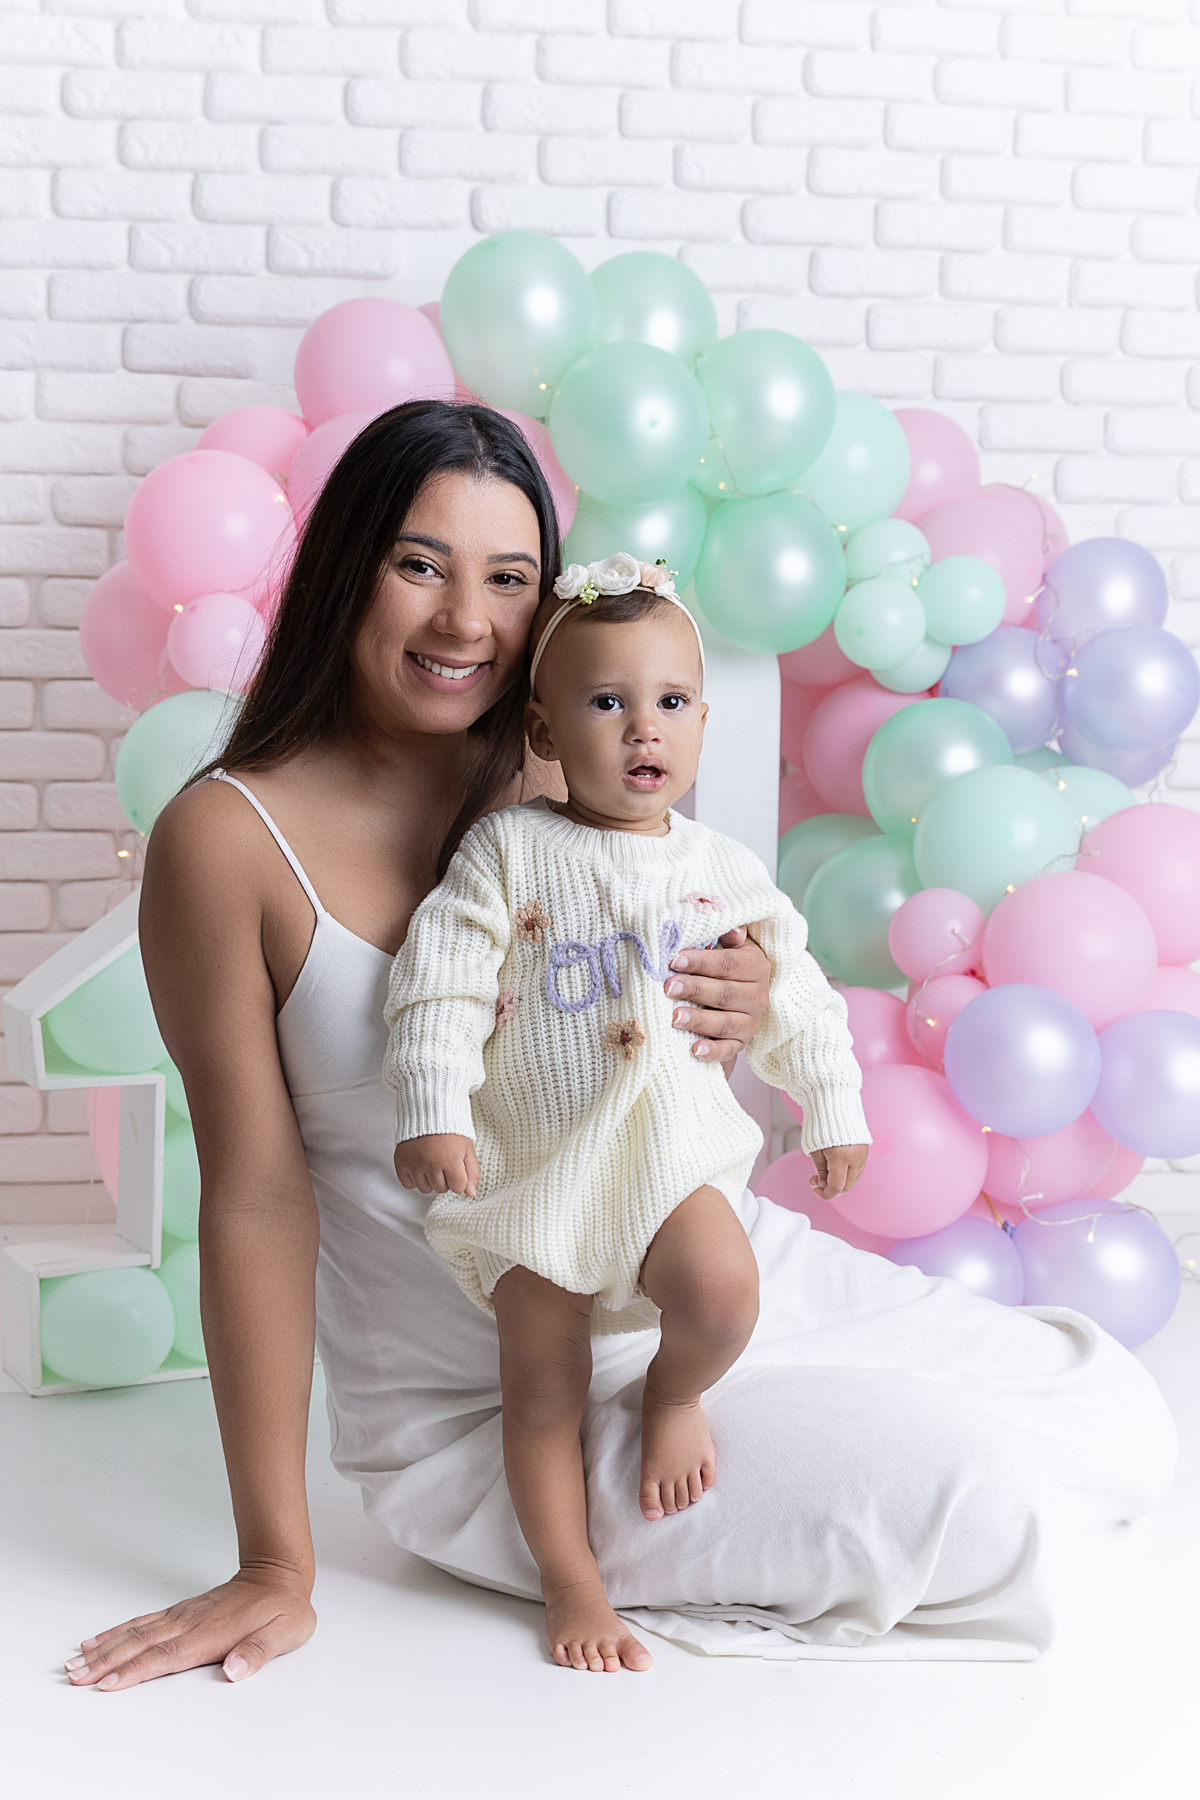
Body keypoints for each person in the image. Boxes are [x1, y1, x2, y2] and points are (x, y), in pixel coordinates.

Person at [65, 402, 1176, 1693]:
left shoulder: (560, 774)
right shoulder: (229, 839)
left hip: (711, 1282)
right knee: (985, 1497)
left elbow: (672, 1024)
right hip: (505, 1400)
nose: (464, 622)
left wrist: (750, 997)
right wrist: (276, 1563)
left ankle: (766, 1420)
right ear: (344, 564)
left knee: (1118, 1418)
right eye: (419, 564)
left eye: (509, 578)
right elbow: (256, 1195)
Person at [387, 552, 871, 1672]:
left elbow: (796, 993)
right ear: (547, 733)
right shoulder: (509, 850)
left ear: (700, 726)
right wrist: (434, 1106)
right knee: (541, 1390)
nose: (641, 729)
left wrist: (830, 1107)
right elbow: (441, 979)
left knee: (722, 1292)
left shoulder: (726, 869)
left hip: (670, 1162)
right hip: (540, 1174)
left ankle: (670, 1394)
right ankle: (571, 1579)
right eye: (606, 703)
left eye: (667, 704)